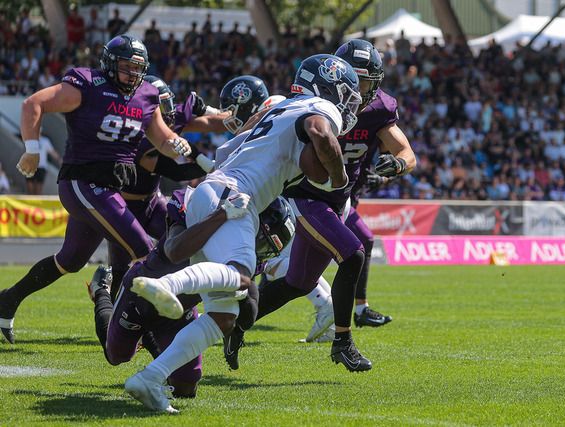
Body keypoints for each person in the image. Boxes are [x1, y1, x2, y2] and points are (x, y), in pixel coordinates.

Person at [123, 53, 361, 411]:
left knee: (224, 316)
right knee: (240, 275)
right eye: (345, 93)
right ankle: (169, 285)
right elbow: (320, 133)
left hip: (213, 190)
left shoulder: (276, 109)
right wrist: (339, 180)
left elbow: (224, 151)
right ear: (327, 87)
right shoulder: (319, 108)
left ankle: (150, 378)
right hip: (236, 198)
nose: (348, 103)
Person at [226, 40, 415, 368]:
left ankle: (237, 326)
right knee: (353, 253)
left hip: (339, 198)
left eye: (366, 83)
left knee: (298, 283)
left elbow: (406, 152)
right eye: (354, 80)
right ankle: (343, 342)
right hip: (305, 195)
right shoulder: (316, 105)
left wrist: (397, 165)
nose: (358, 91)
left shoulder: (378, 108)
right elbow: (269, 118)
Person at [0, 35, 192, 345]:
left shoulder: (146, 95)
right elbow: (33, 103)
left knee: (70, 260)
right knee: (144, 251)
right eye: (126, 67)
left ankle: (8, 299)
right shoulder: (88, 85)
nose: (132, 74)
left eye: (138, 68)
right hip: (82, 180)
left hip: (111, 187)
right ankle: (139, 333)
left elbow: (162, 139)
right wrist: (32, 149)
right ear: (110, 64)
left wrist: (176, 143)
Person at [90, 190, 293, 409]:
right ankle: (101, 291)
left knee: (184, 389)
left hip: (180, 311)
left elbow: (248, 315)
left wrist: (241, 283)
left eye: (266, 248)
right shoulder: (199, 208)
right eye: (261, 242)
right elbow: (175, 248)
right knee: (116, 356)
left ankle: (152, 351)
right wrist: (221, 215)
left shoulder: (245, 256)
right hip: (141, 296)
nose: (259, 251)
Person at [104, 74, 226, 301]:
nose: (166, 114)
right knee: (120, 269)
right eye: (158, 108)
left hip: (153, 200)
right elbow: (177, 172)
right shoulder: (137, 135)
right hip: (125, 207)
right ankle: (111, 307)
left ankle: (178, 302)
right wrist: (210, 164)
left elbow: (212, 122)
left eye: (166, 104)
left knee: (183, 247)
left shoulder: (170, 115)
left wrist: (230, 116)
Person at [25, 128, 63, 195]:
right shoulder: (30, 140)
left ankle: (37, 199)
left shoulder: (45, 141)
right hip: (31, 165)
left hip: (41, 166)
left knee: (39, 184)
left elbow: (51, 151)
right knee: (29, 182)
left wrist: (59, 158)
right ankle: (31, 197)